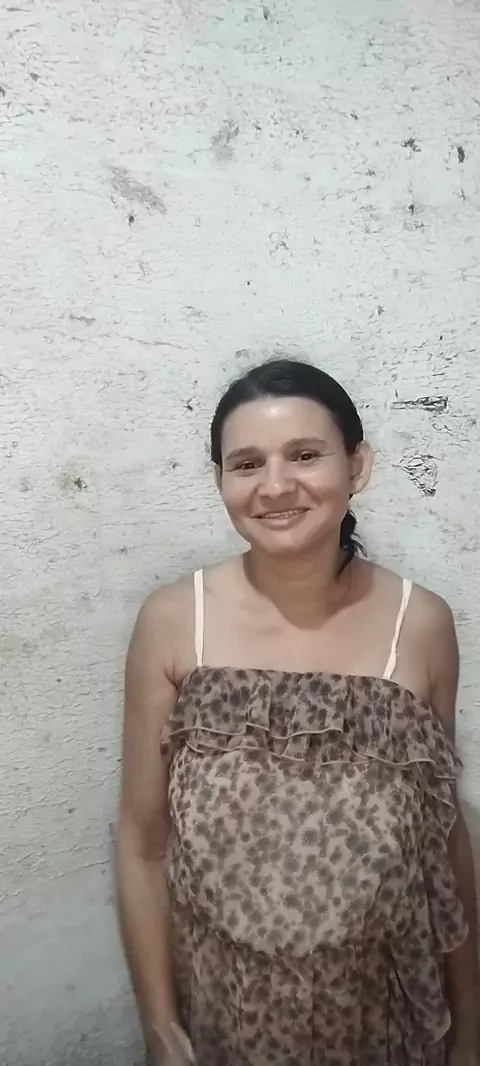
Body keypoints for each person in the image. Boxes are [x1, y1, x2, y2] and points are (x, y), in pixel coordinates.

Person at [115, 357, 478, 1066]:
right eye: (247, 463)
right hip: (227, 1013)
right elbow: (143, 843)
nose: (276, 485)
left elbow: (443, 840)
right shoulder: (174, 622)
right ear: (221, 480)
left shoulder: (420, 624)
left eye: (306, 455)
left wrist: (470, 1021)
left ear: (357, 465)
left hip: (386, 1014)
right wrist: (159, 1026)